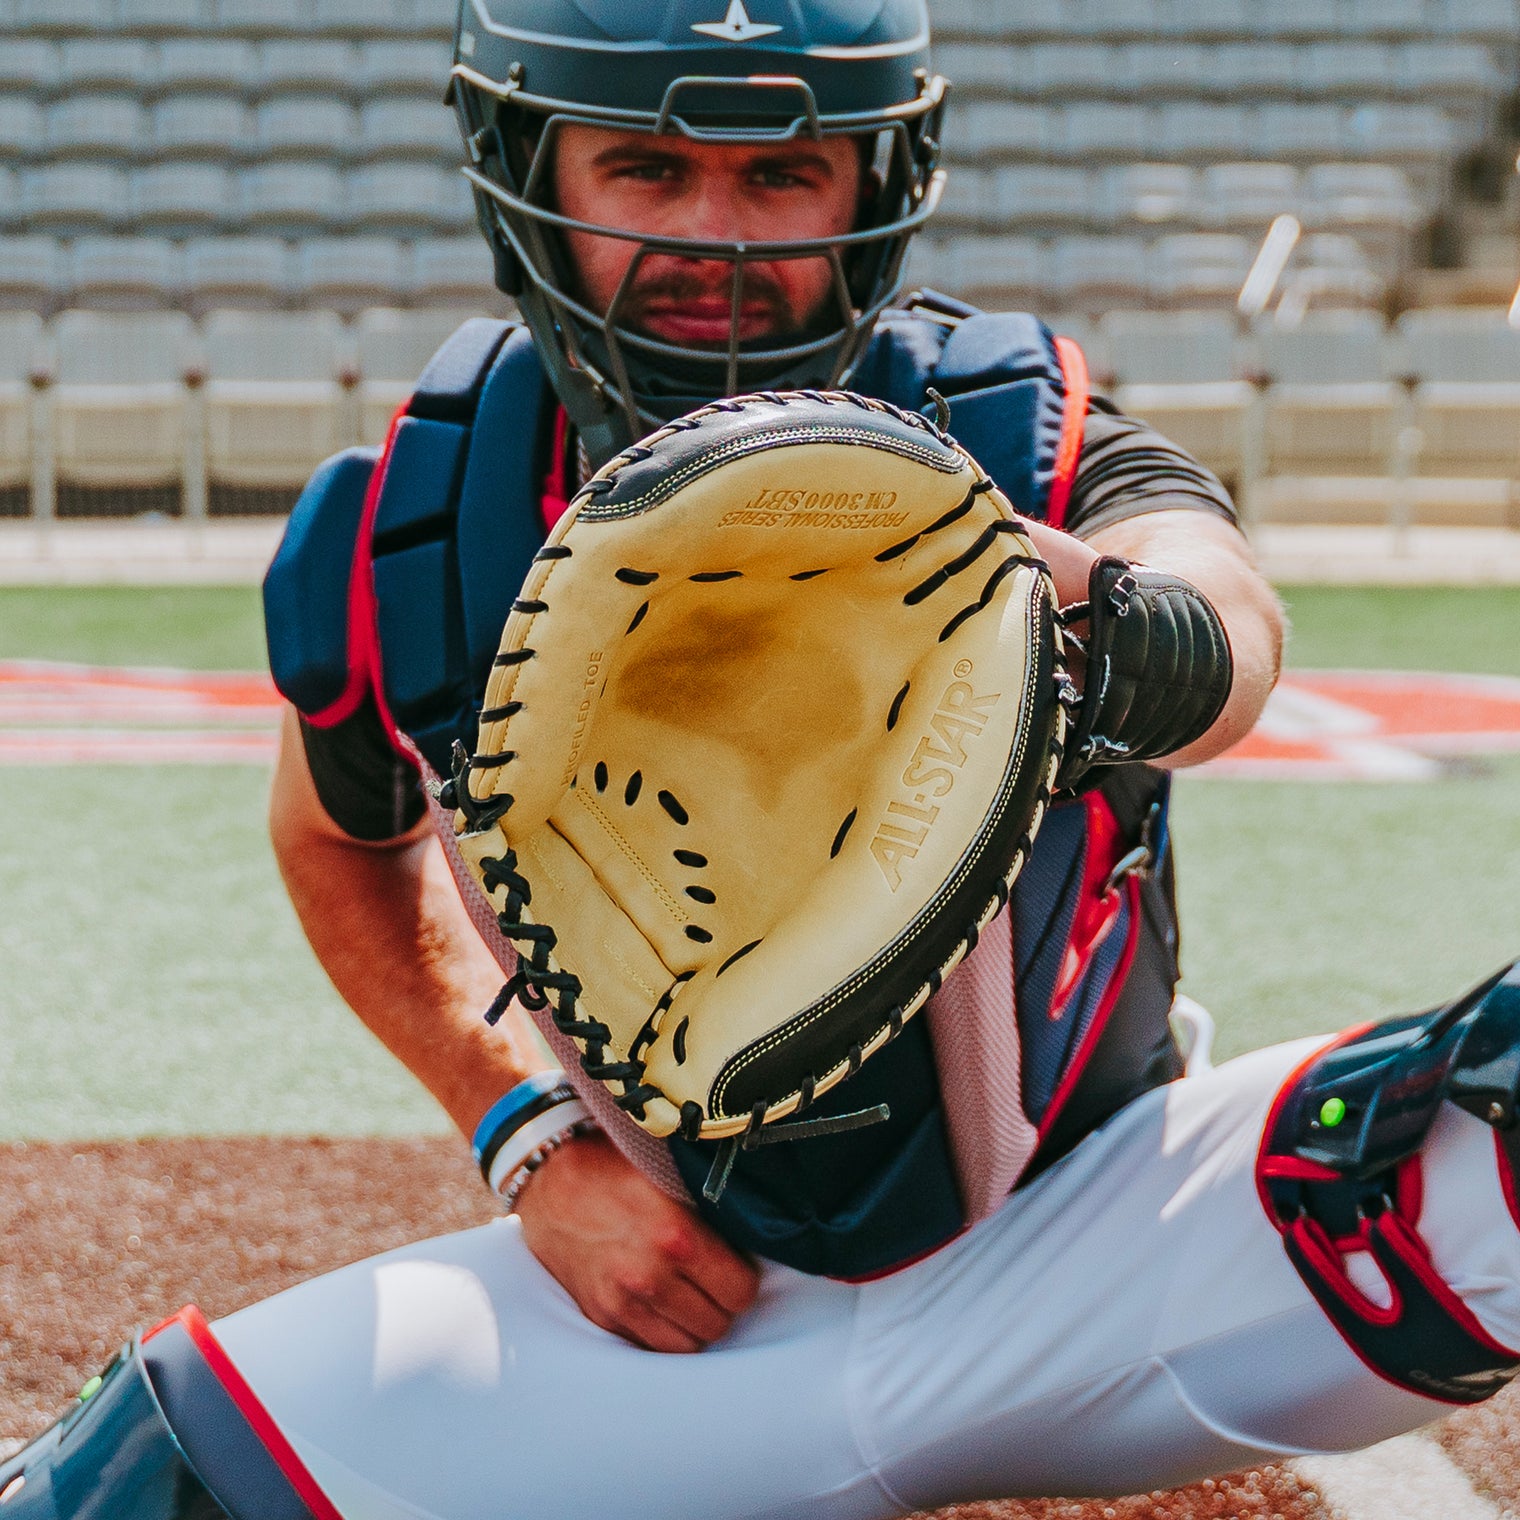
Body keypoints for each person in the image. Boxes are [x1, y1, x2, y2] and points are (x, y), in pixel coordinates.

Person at [4, 4, 1520, 1517]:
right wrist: (524, 1134)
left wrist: (1139, 637)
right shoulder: (413, 522)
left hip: (1116, 1244)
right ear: (525, 165)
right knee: (125, 1485)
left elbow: (1224, 619)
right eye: (647, 171)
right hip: (692, 1313)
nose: (716, 238)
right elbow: (336, 840)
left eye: (781, 175)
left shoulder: (1015, 438)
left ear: (874, 185)